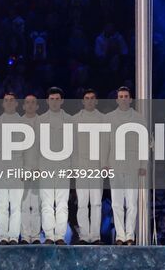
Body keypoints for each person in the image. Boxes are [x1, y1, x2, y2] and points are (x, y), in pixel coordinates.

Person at [108, 86, 147, 245]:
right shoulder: (109, 118)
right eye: (121, 96)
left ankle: (130, 235)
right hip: (115, 164)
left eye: (126, 96)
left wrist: (143, 163)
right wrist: (105, 164)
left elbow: (143, 143)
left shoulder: (139, 118)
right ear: (117, 99)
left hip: (133, 164)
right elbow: (105, 143)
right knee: (117, 203)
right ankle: (120, 235)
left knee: (131, 202)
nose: (123, 98)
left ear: (130, 99)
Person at [72, 89, 106, 244]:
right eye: (87, 98)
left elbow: (107, 144)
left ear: (96, 101)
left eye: (93, 98)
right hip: (81, 165)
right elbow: (72, 145)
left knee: (97, 202)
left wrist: (105, 164)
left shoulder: (103, 119)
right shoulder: (75, 120)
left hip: (97, 165)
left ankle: (96, 235)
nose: (90, 101)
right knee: (83, 202)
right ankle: (84, 236)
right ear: (83, 101)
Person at [38, 87, 70, 244]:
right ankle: (49, 235)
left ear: (62, 101)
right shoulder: (40, 120)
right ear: (47, 101)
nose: (55, 102)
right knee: (47, 203)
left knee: (62, 204)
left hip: (64, 166)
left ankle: (60, 236)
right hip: (45, 167)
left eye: (57, 99)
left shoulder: (69, 120)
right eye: (52, 99)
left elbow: (75, 146)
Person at [0, 92, 24, 244]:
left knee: (16, 206)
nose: (9, 103)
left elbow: (29, 149)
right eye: (6, 100)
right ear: (3, 104)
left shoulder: (23, 123)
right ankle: (3, 236)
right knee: (2, 205)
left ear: (17, 103)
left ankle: (14, 237)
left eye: (12, 100)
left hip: (17, 168)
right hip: (0, 168)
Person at [20, 94, 41, 244]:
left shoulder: (43, 122)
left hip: (39, 167)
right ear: (23, 106)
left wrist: (40, 167)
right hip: (23, 167)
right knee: (24, 204)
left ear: (37, 106)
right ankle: (25, 235)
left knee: (37, 204)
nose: (30, 105)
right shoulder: (18, 123)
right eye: (27, 103)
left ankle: (35, 236)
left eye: (33, 103)